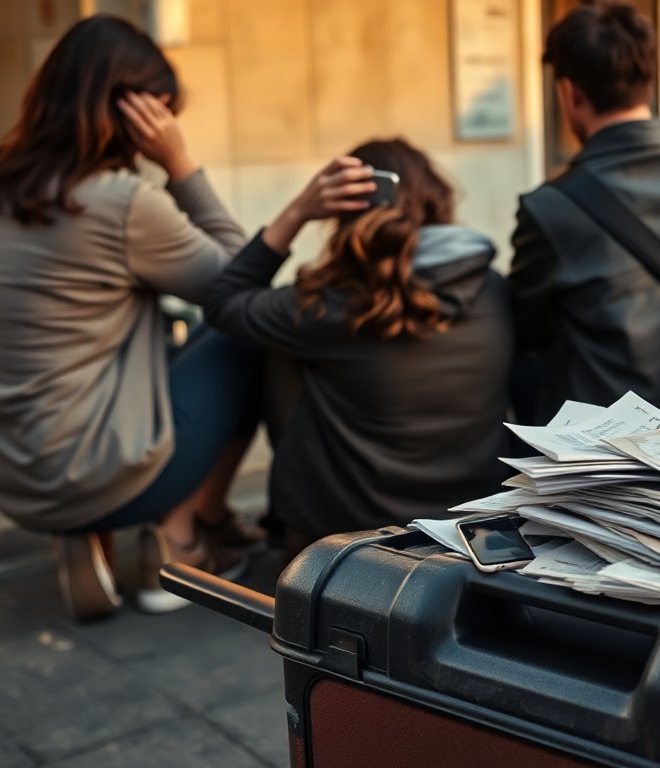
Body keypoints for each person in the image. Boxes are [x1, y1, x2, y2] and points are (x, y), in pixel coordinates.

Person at [0, 16, 260, 621]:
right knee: (243, 337)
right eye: (162, 115)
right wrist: (180, 166)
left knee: (169, 345)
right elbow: (240, 283)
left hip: (9, 473)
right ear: (132, 114)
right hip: (96, 472)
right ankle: (180, 540)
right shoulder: (121, 201)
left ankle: (84, 534)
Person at [203, 140, 513, 550]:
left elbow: (224, 301)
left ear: (344, 214)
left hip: (348, 530)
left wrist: (297, 211)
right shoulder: (493, 289)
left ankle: (206, 520)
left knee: (264, 341)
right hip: (474, 520)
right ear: (436, 199)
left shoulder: (326, 308)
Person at [509, 3, 660, 423]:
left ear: (569, 92)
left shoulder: (548, 208)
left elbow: (527, 331)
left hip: (606, 456)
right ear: (648, 79)